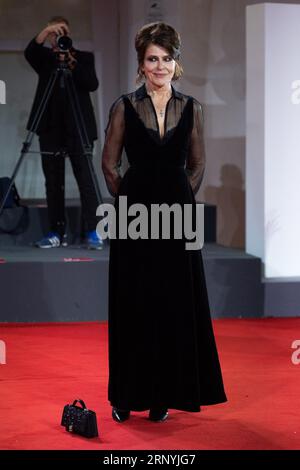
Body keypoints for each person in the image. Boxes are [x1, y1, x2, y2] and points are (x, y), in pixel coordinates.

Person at [102, 22, 227, 422]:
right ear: (141, 65)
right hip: (134, 218)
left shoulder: (193, 108)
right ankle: (126, 395)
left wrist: (181, 198)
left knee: (174, 304)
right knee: (133, 303)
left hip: (178, 217)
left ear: (177, 62)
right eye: (152, 59)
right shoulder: (124, 105)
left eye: (167, 58)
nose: (160, 66)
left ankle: (162, 396)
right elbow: (109, 164)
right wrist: (130, 203)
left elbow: (198, 163)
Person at [24, 16, 103, 249]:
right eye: (54, 33)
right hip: (50, 128)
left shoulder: (83, 58)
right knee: (53, 182)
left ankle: (93, 231)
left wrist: (70, 60)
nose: (58, 38)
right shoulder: (45, 60)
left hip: (78, 128)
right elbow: (30, 52)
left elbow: (91, 84)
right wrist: (45, 31)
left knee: (86, 180)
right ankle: (56, 232)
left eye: (62, 32)